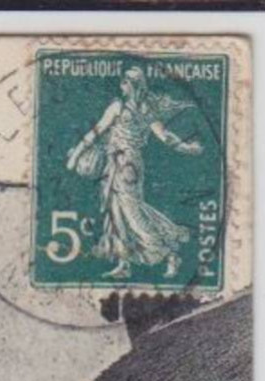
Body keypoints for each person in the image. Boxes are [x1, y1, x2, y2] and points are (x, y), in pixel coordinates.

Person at [64, 66, 204, 281]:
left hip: (124, 164)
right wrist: (188, 148)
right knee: (117, 212)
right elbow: (164, 136)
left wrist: (75, 157)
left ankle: (166, 250)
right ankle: (125, 262)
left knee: (131, 212)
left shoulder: (119, 107)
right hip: (124, 162)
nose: (122, 85)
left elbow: (96, 131)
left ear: (132, 85)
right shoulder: (145, 109)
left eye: (125, 82)